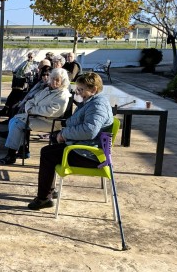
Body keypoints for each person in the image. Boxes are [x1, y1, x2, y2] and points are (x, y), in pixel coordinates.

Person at [27, 72, 114, 210]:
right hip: (85, 148)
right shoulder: (91, 101)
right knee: (53, 141)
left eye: (81, 90)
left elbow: (89, 131)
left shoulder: (97, 105)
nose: (78, 93)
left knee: (47, 153)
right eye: (77, 89)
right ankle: (49, 191)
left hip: (90, 155)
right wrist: (63, 130)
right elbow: (79, 120)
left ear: (94, 89)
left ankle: (43, 198)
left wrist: (64, 134)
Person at [0, 68, 71, 165]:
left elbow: (52, 111)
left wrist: (32, 110)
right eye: (53, 79)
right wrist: (30, 108)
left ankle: (11, 155)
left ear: (63, 81)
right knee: (13, 120)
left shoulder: (62, 95)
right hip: (38, 117)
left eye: (57, 80)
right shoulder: (48, 89)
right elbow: (32, 100)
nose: (54, 82)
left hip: (50, 122)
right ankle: (22, 150)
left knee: (16, 124)